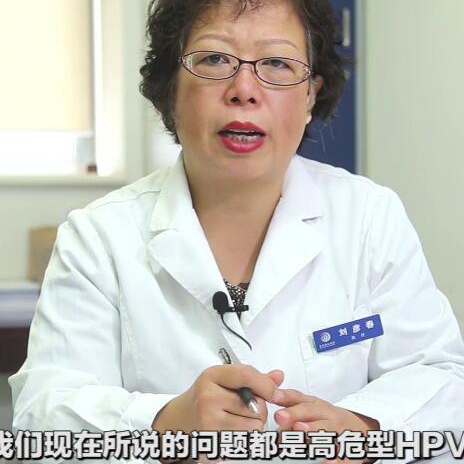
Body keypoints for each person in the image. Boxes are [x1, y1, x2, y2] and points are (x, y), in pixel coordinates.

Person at [9, 0, 464, 463]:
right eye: (214, 59)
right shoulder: (98, 237)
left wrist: (365, 430)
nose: (244, 90)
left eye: (277, 63)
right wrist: (161, 425)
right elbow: (41, 421)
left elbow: (441, 377)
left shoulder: (368, 217)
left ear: (311, 95)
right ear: (170, 88)